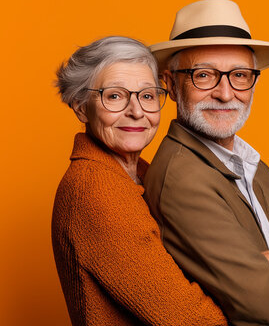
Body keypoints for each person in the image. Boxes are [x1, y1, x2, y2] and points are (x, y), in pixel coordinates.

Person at [144, 0, 269, 325]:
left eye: (240, 75)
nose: (226, 94)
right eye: (204, 75)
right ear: (170, 84)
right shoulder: (182, 179)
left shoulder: (251, 165)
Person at [51, 36, 226, 326]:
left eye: (147, 95)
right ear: (81, 107)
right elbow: (190, 320)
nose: (136, 111)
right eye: (115, 96)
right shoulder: (96, 190)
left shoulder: (142, 176)